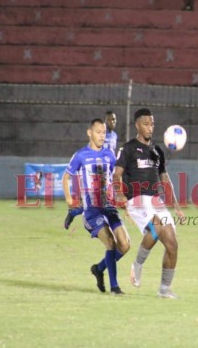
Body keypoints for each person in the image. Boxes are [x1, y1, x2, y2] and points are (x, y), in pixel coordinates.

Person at [114, 108, 185, 299]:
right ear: (137, 125)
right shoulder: (128, 148)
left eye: (152, 124)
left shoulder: (157, 151)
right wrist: (119, 194)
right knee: (156, 226)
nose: (150, 127)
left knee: (172, 243)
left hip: (156, 201)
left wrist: (176, 207)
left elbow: (165, 179)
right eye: (146, 124)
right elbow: (116, 174)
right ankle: (137, 265)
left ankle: (164, 289)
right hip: (136, 199)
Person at [62, 118, 130, 295]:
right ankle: (114, 287)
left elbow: (116, 177)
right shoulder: (80, 155)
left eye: (104, 133)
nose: (102, 136)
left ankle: (99, 269)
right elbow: (66, 177)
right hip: (92, 211)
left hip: (108, 206)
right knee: (110, 242)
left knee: (125, 245)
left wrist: (121, 196)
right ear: (89, 132)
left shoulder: (109, 154)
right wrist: (69, 198)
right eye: (98, 132)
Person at [64, 110, 118, 230]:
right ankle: (75, 213)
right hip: (95, 171)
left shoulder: (114, 136)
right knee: (93, 200)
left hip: (106, 167)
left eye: (114, 119)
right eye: (110, 119)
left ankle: (76, 213)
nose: (112, 122)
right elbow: (66, 176)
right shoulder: (84, 152)